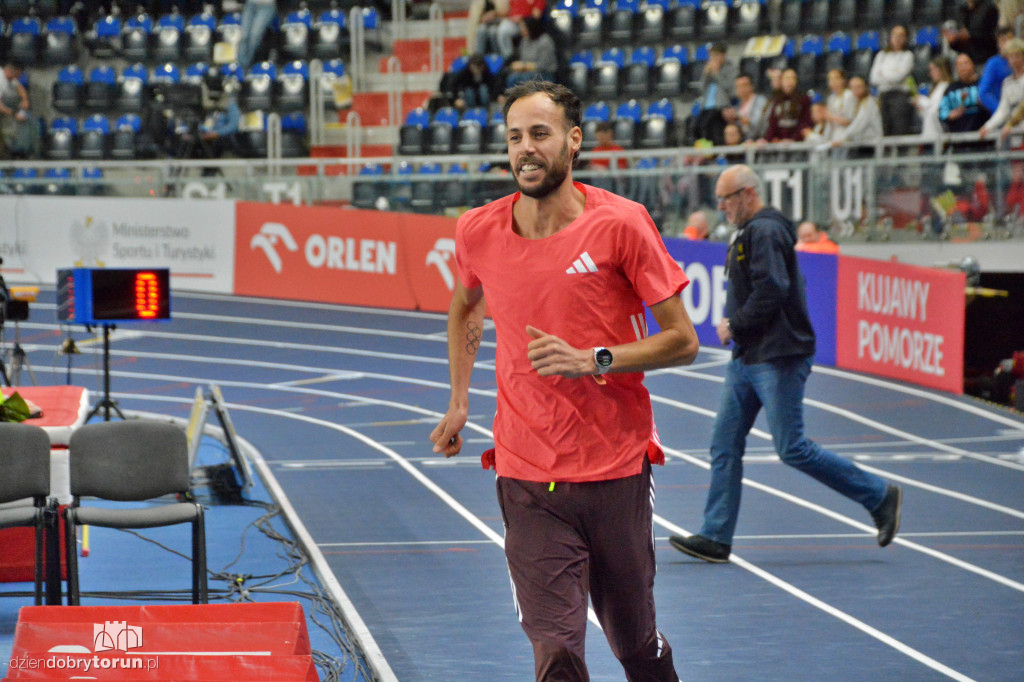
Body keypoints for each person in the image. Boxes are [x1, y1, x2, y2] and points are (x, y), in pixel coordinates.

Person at [429, 80, 697, 681]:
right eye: (515, 136)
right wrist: (458, 398)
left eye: (541, 134)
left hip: (615, 472)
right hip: (526, 476)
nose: (526, 148)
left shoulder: (622, 226)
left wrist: (594, 359)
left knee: (636, 648)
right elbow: (467, 305)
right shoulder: (478, 230)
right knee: (557, 651)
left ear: (573, 142)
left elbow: (684, 340)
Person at [667, 164, 902, 564]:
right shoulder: (752, 230)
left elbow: (773, 287)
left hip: (777, 357)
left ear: (747, 194)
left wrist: (734, 324)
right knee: (724, 442)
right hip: (749, 357)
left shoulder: (764, 231)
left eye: (726, 198)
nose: (721, 206)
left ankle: (879, 495)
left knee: (792, 447)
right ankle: (716, 535)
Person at [869, 25, 915, 136]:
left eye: (901, 35)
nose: (897, 38)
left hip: (900, 96)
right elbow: (873, 78)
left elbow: (898, 78)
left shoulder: (907, 55)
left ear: (906, 38)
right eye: (895, 35)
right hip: (883, 95)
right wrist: (893, 72)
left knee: (900, 129)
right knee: (884, 129)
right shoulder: (881, 55)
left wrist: (883, 73)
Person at [979, 38, 1024, 139]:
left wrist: (1010, 124)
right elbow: (1003, 109)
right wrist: (988, 126)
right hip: (1015, 133)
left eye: (1017, 56)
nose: (1014, 60)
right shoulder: (1007, 83)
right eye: (1011, 57)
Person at [696, 43, 738, 145]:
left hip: (721, 107)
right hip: (706, 107)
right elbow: (701, 89)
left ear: (723, 55)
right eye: (712, 55)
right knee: (698, 128)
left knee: (714, 130)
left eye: (716, 55)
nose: (714, 58)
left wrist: (717, 73)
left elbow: (730, 88)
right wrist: (706, 75)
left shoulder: (730, 69)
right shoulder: (708, 69)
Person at [832, 76, 883, 157]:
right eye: (853, 87)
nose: (856, 89)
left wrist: (842, 138)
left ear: (865, 87)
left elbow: (859, 124)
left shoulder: (869, 103)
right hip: (858, 143)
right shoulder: (855, 103)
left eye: (859, 86)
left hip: (869, 144)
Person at [939, 52, 989, 135]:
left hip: (984, 137)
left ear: (972, 64)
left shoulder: (983, 84)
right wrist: (950, 115)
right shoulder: (951, 89)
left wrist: (983, 104)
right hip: (959, 140)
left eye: (965, 63)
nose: (963, 68)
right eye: (959, 65)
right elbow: (941, 113)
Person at [761, 69, 812, 143]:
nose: (790, 81)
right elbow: (773, 122)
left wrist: (794, 139)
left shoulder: (803, 99)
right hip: (778, 142)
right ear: (781, 81)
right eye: (787, 78)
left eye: (793, 78)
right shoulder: (776, 100)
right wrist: (769, 139)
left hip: (797, 143)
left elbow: (804, 122)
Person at [944, 0, 1001, 67]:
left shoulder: (989, 8)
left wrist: (970, 35)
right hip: (966, 59)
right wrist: (953, 41)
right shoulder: (962, 9)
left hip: (984, 59)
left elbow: (991, 35)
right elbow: (960, 42)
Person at [505, 16, 557, 88]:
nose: (521, 30)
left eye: (523, 27)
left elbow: (543, 65)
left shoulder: (545, 41)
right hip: (527, 71)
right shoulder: (525, 41)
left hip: (544, 73)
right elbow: (523, 58)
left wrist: (525, 66)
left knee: (523, 79)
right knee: (511, 76)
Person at [0, 61, 37, 159]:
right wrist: (14, 114)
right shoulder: (1, 81)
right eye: (18, 74)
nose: (19, 77)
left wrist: (25, 99)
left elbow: (19, 87)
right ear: (12, 71)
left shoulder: (10, 77)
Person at [915, 56, 953, 141]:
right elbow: (928, 113)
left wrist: (922, 100)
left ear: (942, 69)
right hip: (929, 133)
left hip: (939, 133)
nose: (931, 73)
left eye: (933, 69)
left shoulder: (948, 87)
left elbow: (938, 109)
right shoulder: (934, 88)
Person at [979, 27, 1015, 114]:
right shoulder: (994, 63)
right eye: (1003, 40)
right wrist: (1000, 110)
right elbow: (983, 92)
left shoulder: (1020, 61)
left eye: (1009, 40)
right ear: (998, 44)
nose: (1007, 44)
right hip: (1004, 115)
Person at [238, 0, 277, 69]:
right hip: (250, 4)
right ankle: (241, 65)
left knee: (255, 36)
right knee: (244, 35)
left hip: (267, 5)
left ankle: (246, 65)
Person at [730, 74, 768, 141]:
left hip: (759, 140)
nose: (741, 89)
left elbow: (759, 124)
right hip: (744, 141)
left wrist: (740, 118)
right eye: (738, 86)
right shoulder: (738, 106)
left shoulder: (760, 101)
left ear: (751, 86)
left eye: (744, 85)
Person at [823, 69, 856, 142]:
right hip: (835, 135)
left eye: (836, 78)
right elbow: (830, 122)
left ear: (843, 80)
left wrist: (830, 116)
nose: (833, 81)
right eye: (831, 79)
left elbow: (849, 121)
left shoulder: (849, 95)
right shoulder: (831, 98)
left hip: (848, 134)